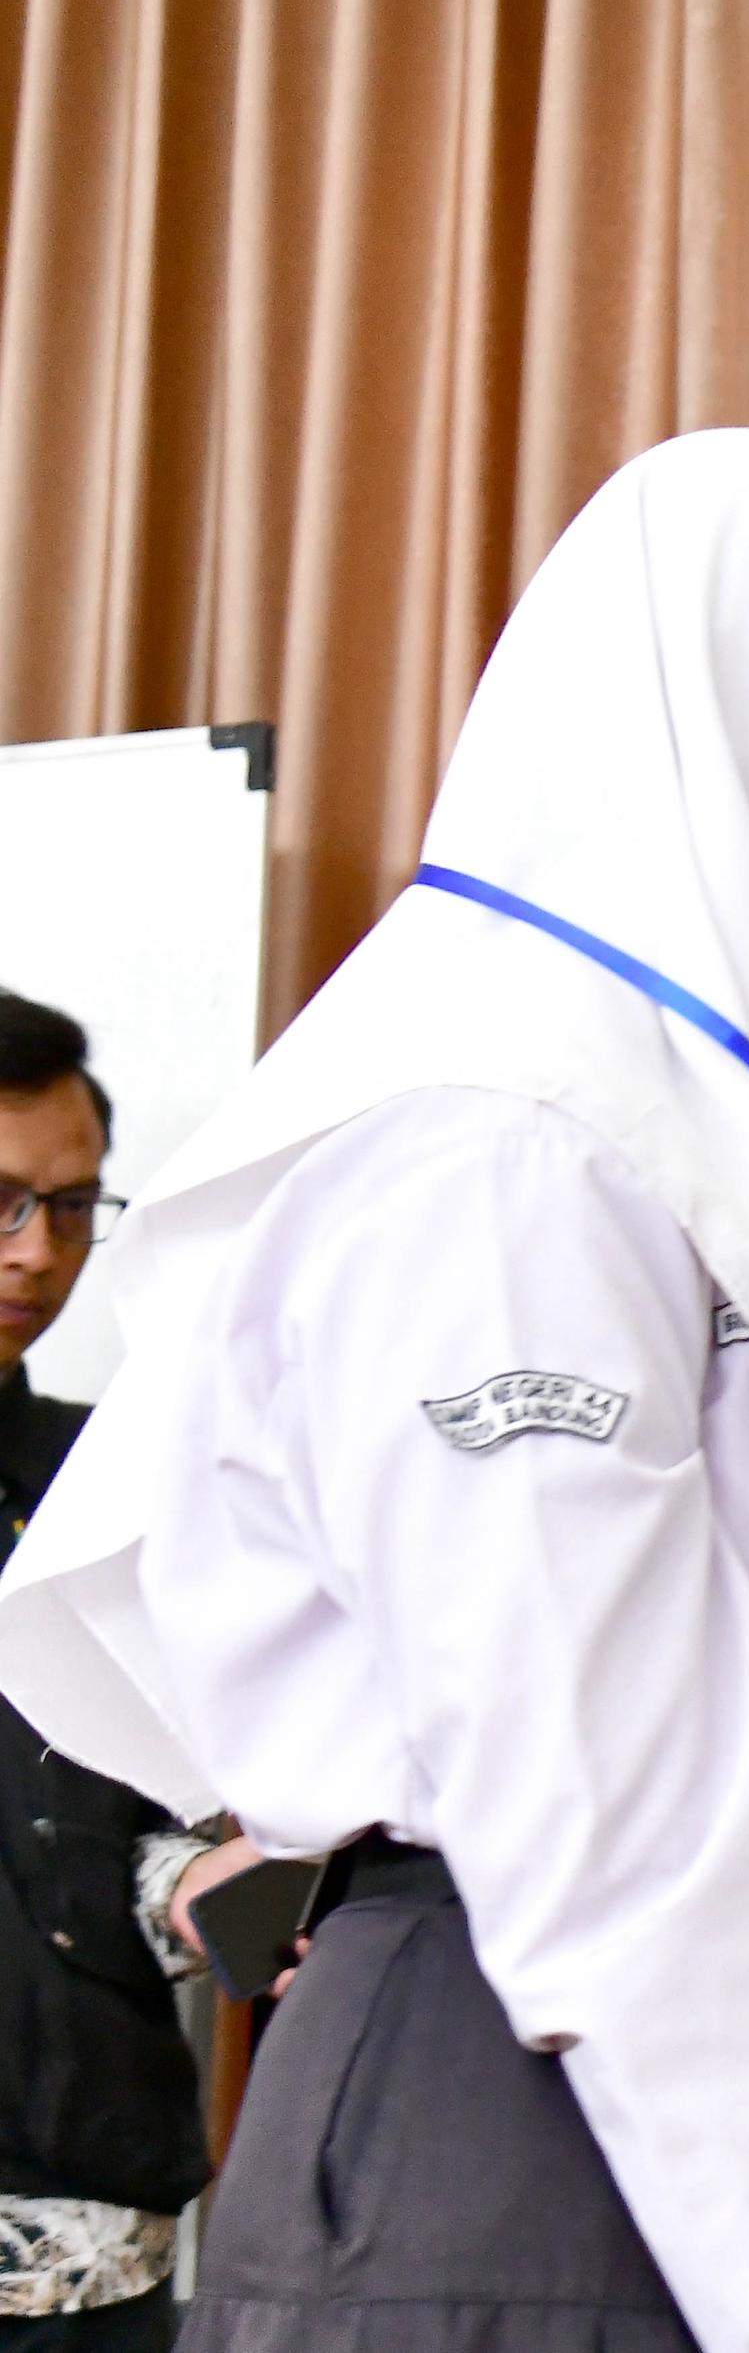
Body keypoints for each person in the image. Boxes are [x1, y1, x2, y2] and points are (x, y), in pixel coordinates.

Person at [0, 432, 749, 2351]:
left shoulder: (724, 1131)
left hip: (700, 2106)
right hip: (542, 2124)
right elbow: (631, 1810)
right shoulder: (507, 1139)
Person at [0, 996, 256, 2353]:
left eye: (74, 1205)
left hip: (94, 2254)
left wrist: (201, 1884)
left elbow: (132, 1822)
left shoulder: (107, 1478)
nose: (39, 1254)